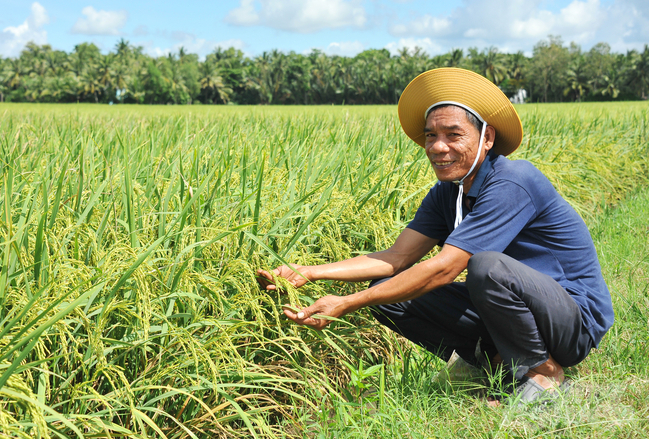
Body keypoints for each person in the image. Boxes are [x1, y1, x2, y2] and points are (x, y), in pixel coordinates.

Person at [257, 68, 614, 405]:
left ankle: (544, 371)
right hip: (518, 314)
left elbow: (446, 268)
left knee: (486, 266)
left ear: (487, 138)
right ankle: (495, 365)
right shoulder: (448, 193)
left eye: (453, 135)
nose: (438, 147)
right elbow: (396, 258)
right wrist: (310, 271)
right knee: (387, 289)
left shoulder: (513, 181)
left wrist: (347, 303)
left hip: (572, 321)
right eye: (431, 135)